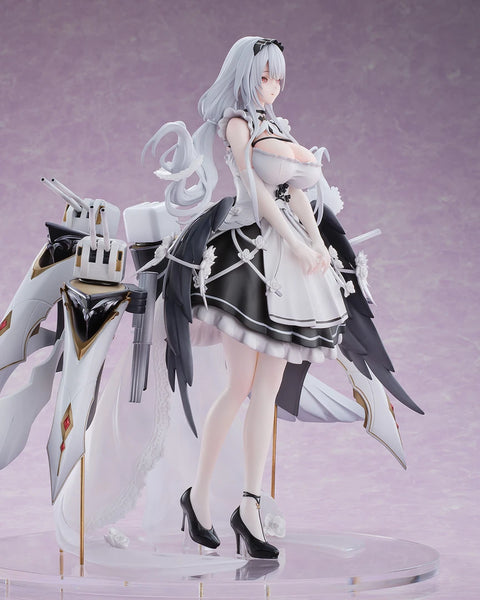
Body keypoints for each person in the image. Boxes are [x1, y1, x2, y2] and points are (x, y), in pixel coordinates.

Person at [143, 36, 420, 559]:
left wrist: (316, 246)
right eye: (264, 77)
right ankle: (197, 496)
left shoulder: (279, 129)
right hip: (248, 259)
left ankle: (249, 507)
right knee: (239, 386)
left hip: (289, 262)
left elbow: (297, 191)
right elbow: (255, 194)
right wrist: (294, 241)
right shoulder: (236, 125)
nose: (271, 88)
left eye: (278, 79)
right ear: (245, 77)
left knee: (266, 393)